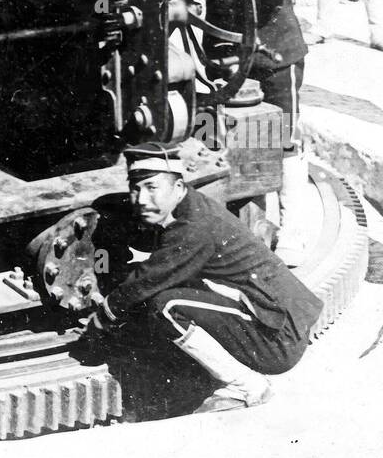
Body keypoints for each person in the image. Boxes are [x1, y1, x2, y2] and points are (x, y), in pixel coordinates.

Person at [86, 142, 324, 412]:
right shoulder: (192, 205)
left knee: (167, 307)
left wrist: (104, 316)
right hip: (278, 319)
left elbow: (149, 278)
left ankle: (246, 386)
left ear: (177, 188)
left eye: (152, 187)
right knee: (175, 289)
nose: (141, 199)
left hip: (278, 340)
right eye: (135, 189)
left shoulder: (193, 228)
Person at [191, 0, 313, 265]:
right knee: (216, 133)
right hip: (223, 48)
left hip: (274, 49)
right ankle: (229, 226)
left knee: (283, 138)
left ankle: (294, 232)